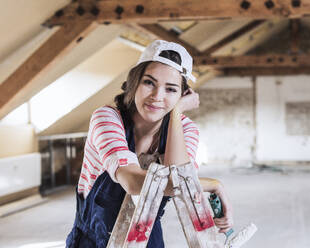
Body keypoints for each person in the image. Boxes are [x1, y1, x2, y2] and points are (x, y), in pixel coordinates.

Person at [66, 40, 233, 248]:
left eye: (171, 89)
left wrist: (176, 113)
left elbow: (181, 179)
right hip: (92, 237)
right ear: (134, 82)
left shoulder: (186, 129)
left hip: (147, 230)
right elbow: (133, 182)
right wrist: (215, 185)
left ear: (183, 95)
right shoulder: (106, 118)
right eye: (149, 83)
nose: (157, 96)